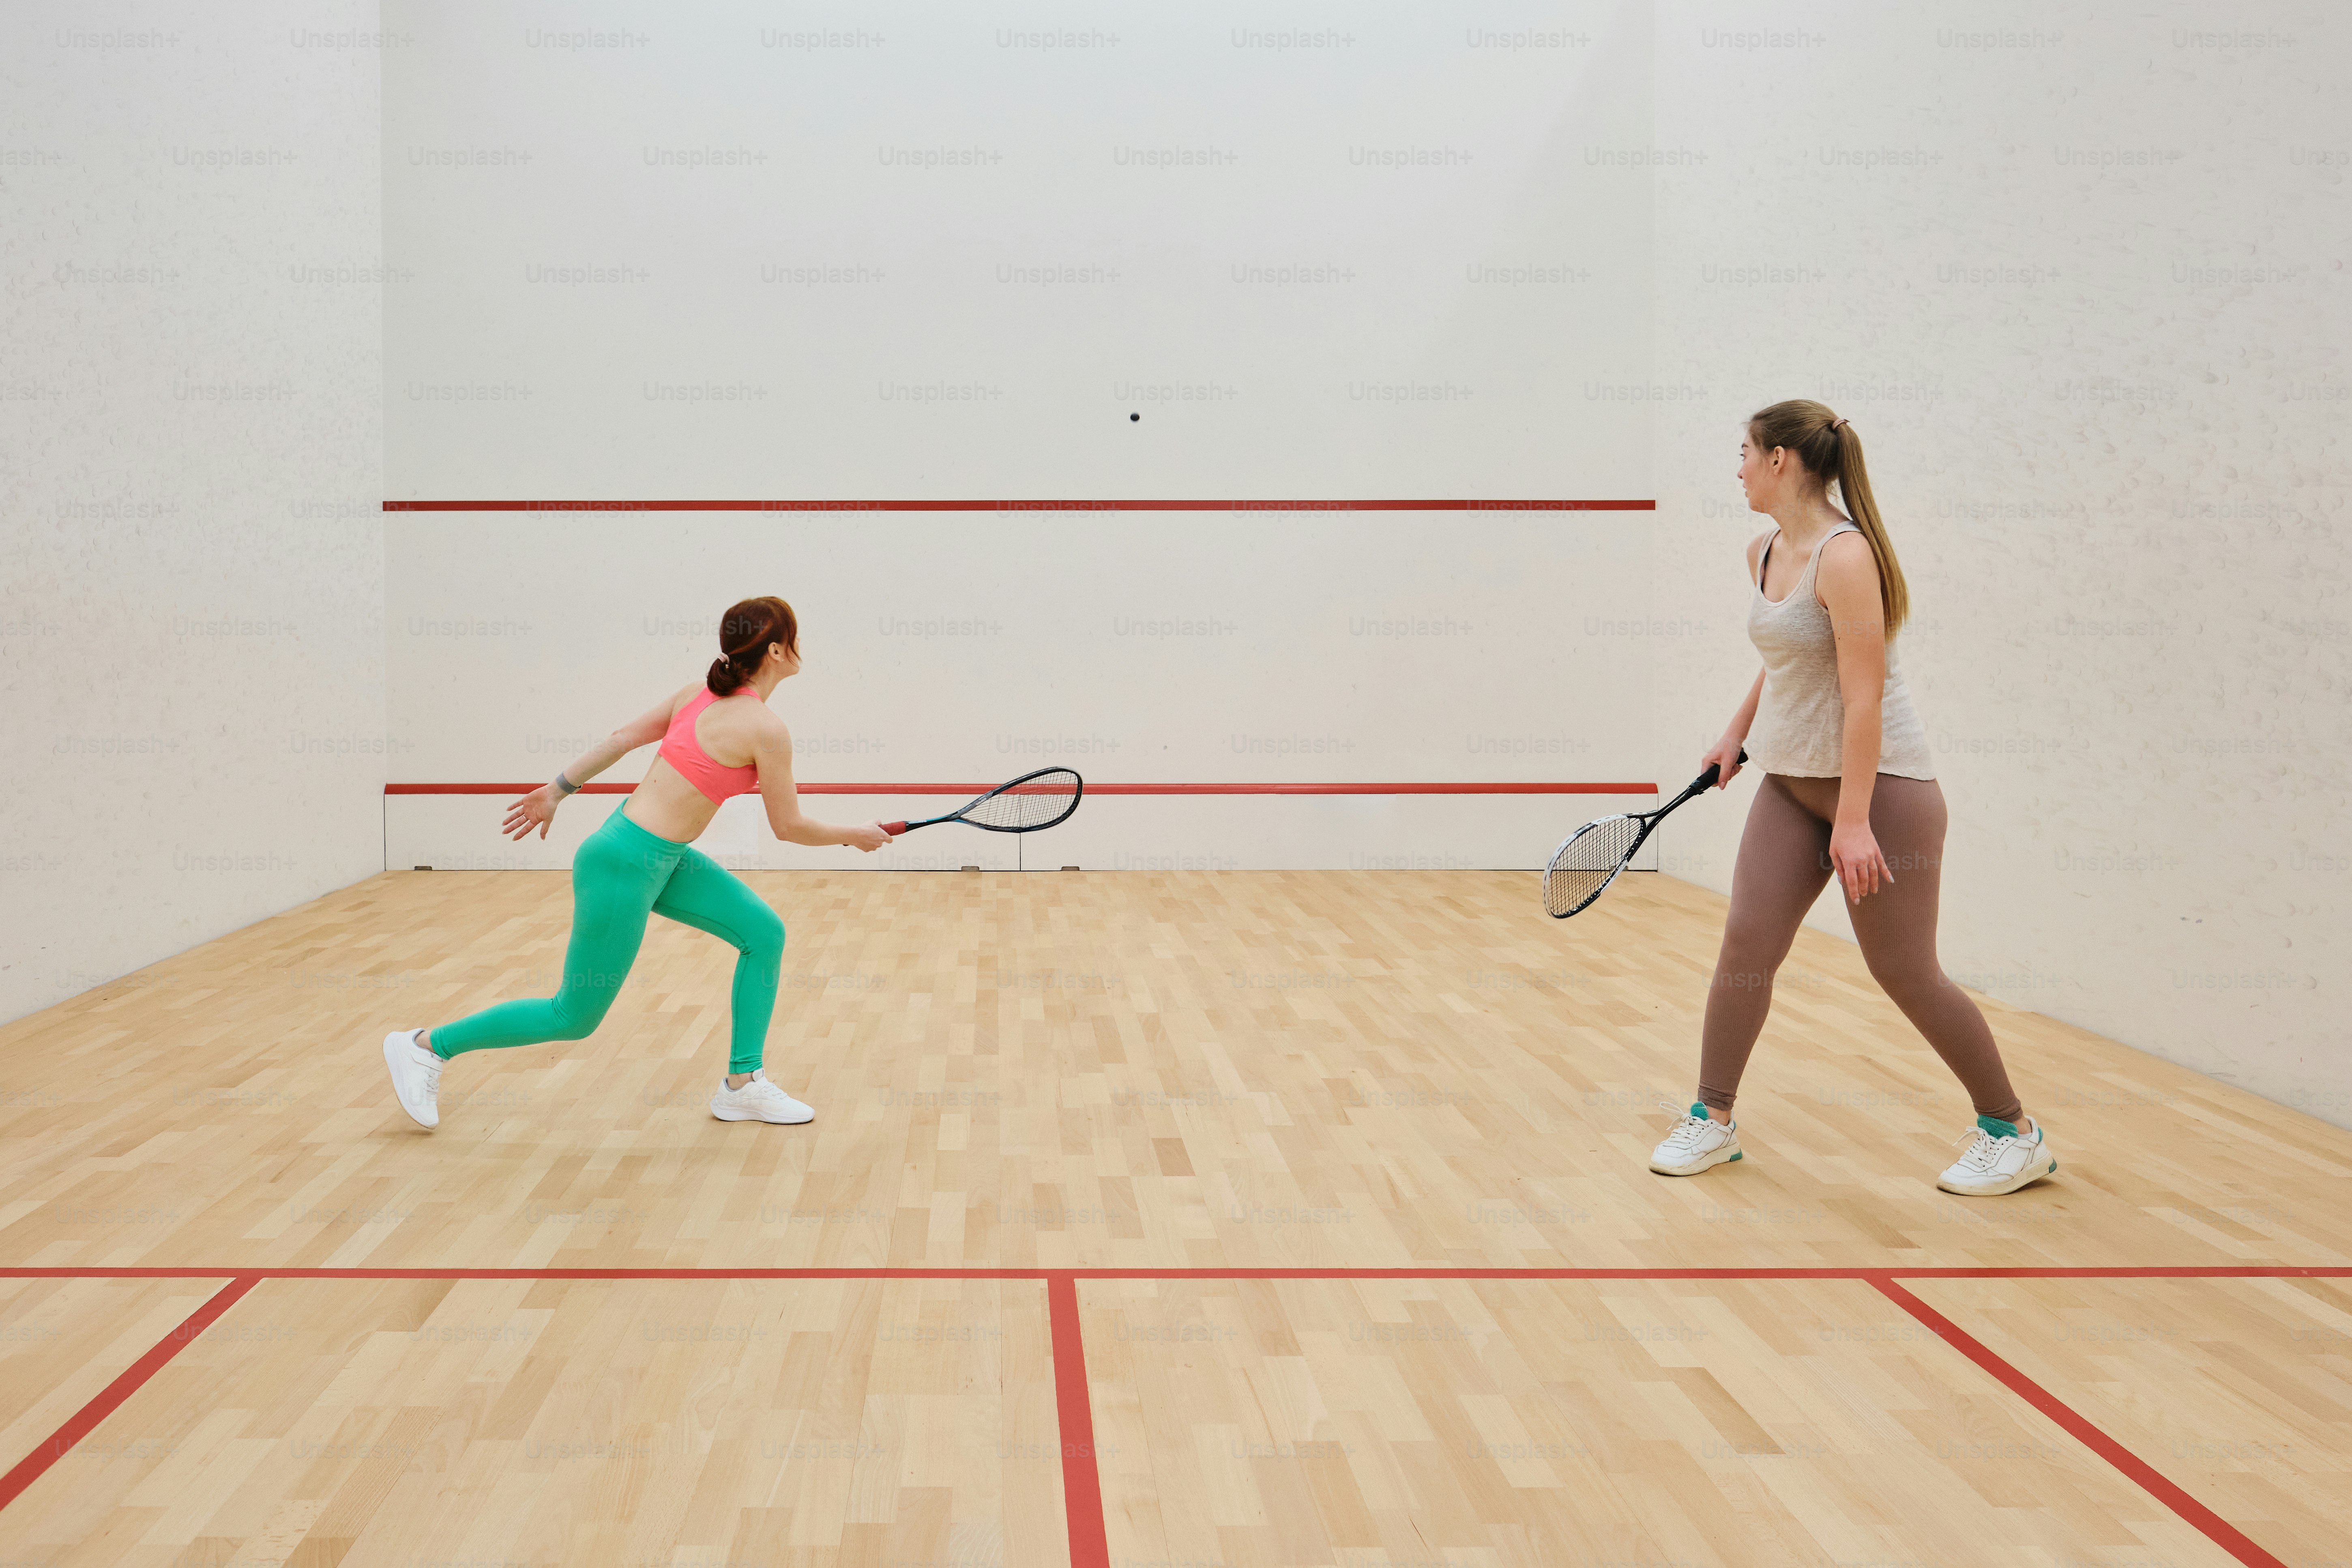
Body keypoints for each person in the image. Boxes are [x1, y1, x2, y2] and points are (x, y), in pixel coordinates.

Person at [1646, 401, 2058, 1197]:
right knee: (1744, 949)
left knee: (1902, 969)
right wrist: (1735, 732)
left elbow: (1861, 699)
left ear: (1780, 462)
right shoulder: (1762, 550)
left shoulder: (1843, 556)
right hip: (1791, 784)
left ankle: (2012, 1129)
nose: (1734, 467)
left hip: (1884, 795)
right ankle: (1712, 1115)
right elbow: (1786, 659)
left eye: (1743, 452)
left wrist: (1856, 818)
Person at [381, 596, 891, 1131]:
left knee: (763, 934)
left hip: (659, 858)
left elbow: (623, 739)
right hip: (624, 863)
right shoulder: (765, 728)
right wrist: (853, 836)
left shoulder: (697, 695)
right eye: (798, 640)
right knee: (573, 1016)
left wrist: (559, 789)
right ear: (776, 650)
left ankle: (742, 1084)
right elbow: (788, 828)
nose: (801, 649)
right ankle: (426, 1047)